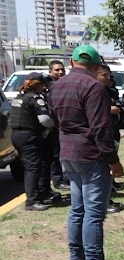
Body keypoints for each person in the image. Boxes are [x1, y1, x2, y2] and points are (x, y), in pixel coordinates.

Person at [48, 45, 124, 260]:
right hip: (90, 155)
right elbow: (101, 128)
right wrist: (113, 161)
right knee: (93, 213)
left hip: (68, 153)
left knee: (77, 209)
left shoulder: (56, 86)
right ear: (95, 66)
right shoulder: (94, 87)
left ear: (72, 63)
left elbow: (54, 119)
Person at [10, 72, 55, 211]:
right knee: (33, 168)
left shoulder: (19, 97)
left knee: (31, 166)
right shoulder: (35, 99)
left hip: (17, 135)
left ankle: (40, 195)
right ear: (39, 85)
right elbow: (45, 121)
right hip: (29, 136)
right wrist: (55, 124)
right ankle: (32, 201)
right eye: (43, 85)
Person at [96, 63, 123, 213]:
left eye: (108, 75)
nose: (108, 78)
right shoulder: (94, 91)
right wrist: (108, 109)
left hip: (112, 131)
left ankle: (107, 197)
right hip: (101, 137)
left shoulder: (107, 90)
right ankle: (103, 203)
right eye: (104, 75)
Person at [47, 59, 70, 191]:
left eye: (62, 69)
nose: (60, 72)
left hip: (64, 125)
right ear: (50, 71)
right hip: (54, 126)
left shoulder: (65, 84)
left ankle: (64, 177)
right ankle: (58, 180)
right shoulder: (49, 85)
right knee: (56, 155)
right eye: (57, 70)